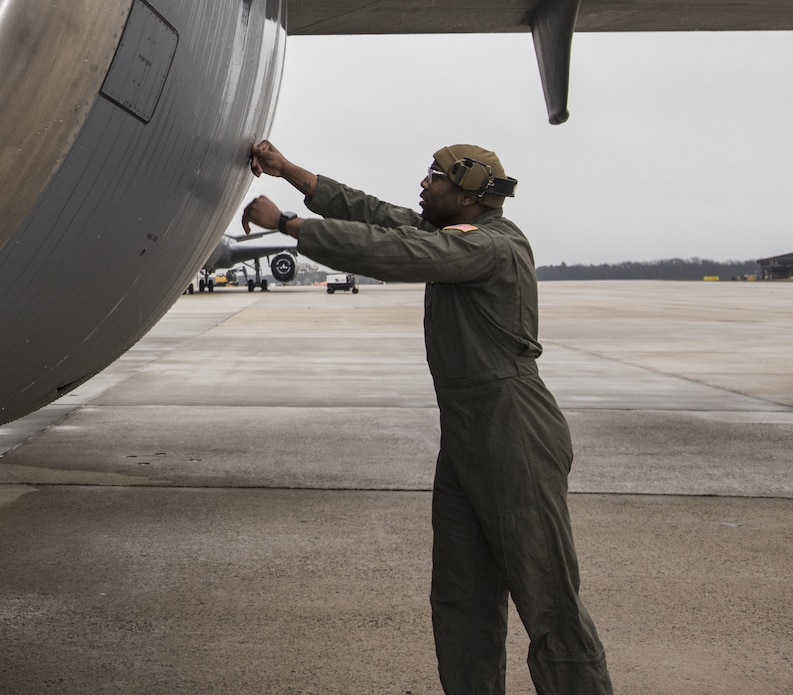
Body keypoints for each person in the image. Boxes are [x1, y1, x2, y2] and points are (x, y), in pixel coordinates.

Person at [241, 140, 612, 695]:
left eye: (434, 177)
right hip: (465, 435)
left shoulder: (491, 247)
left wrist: (292, 225)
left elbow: (392, 253)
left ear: (467, 194)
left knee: (549, 598)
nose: (423, 184)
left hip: (514, 433)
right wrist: (289, 171)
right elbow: (373, 215)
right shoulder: (450, 234)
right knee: (461, 599)